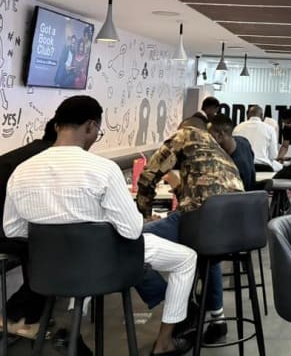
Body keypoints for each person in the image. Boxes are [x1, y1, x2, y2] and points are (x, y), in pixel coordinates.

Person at [4, 96, 196, 356]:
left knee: (83, 258)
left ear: (57, 126)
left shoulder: (22, 171)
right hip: (103, 263)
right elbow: (131, 230)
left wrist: (59, 237)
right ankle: (164, 343)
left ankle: (71, 329)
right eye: (98, 131)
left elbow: (12, 229)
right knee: (186, 259)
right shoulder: (103, 169)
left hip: (49, 268)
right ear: (91, 126)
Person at [137, 117, 244, 346]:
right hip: (234, 230)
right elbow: (196, 193)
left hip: (201, 221)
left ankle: (180, 305)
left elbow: (148, 176)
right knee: (208, 255)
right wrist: (176, 184)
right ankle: (218, 320)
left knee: (128, 244)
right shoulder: (220, 152)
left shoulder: (185, 134)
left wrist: (142, 216)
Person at [0, 119, 56, 338]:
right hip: (6, 232)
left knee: (44, 243)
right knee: (51, 248)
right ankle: (16, 317)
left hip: (7, 228)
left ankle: (28, 315)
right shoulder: (44, 161)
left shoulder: (27, 153)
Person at [208, 113, 256, 191]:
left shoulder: (234, 166)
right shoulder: (243, 141)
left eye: (210, 136)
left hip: (240, 196)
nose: (207, 139)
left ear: (220, 136)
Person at [232, 106, 281, 172]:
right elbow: (273, 155)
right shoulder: (270, 129)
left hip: (243, 167)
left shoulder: (238, 128)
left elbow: (234, 151)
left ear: (248, 116)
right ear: (262, 116)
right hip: (264, 167)